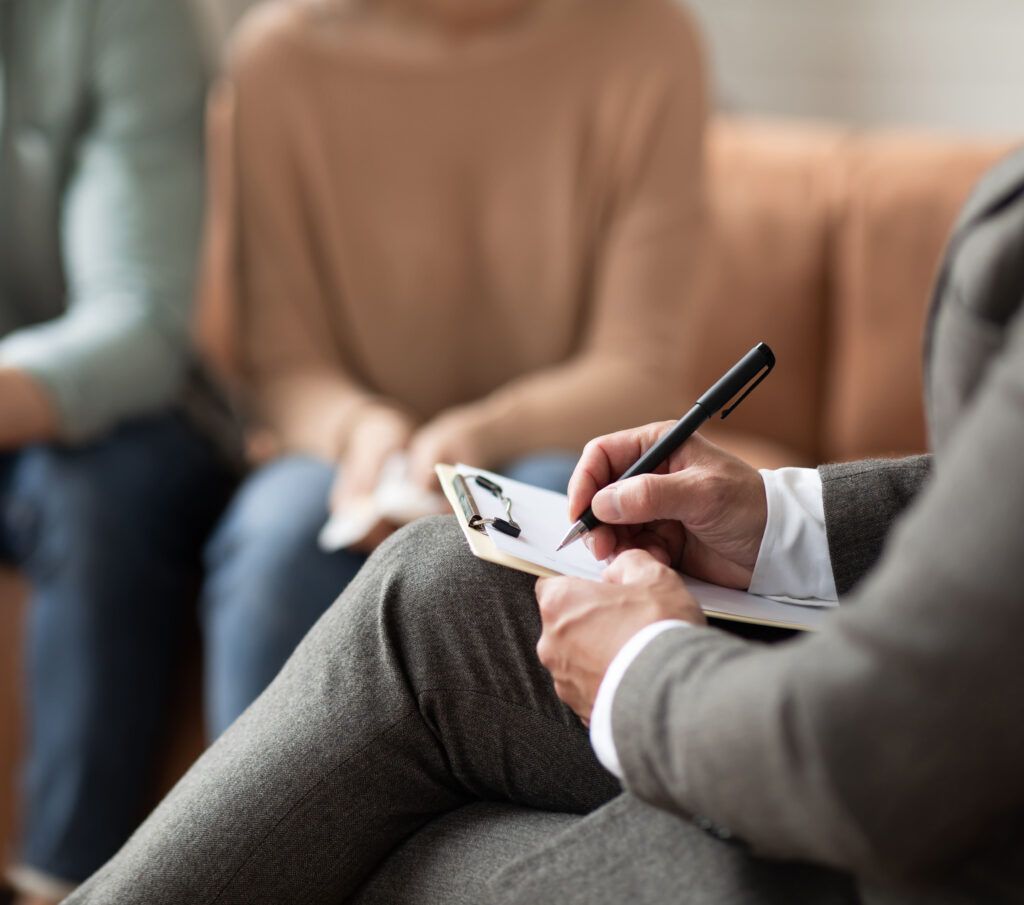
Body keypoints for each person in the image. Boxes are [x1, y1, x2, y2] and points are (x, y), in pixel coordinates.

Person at [64, 146, 1024, 903]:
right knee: (439, 587)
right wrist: (787, 522)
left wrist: (644, 676)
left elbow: (878, 766)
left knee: (373, 856)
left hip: (934, 838)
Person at [193, 0, 708, 736]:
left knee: (573, 534)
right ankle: (238, 851)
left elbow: (640, 363)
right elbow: (282, 361)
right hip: (352, 453)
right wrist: (365, 431)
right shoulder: (277, 59)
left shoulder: (650, 39)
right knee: (276, 546)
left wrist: (478, 433)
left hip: (556, 443)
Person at [0, 2, 233, 903]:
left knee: (96, 488)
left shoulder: (122, 16)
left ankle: (64, 879)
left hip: (112, 429)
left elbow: (136, 325)